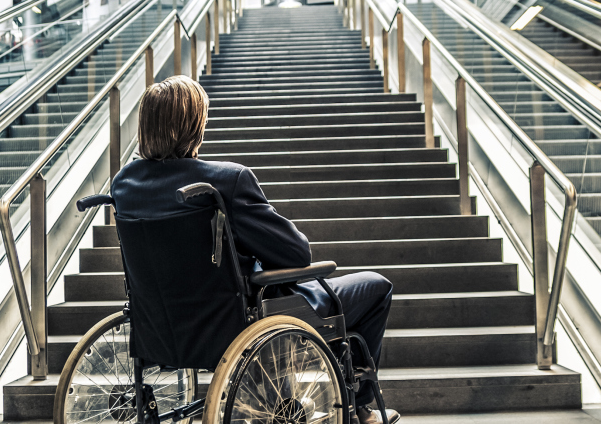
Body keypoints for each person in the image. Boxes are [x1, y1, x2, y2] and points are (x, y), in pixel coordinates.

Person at [109, 75, 399, 424]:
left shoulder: (124, 185)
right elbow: (295, 255)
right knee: (376, 286)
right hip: (236, 319)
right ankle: (357, 408)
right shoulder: (224, 180)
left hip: (162, 323)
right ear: (194, 126)